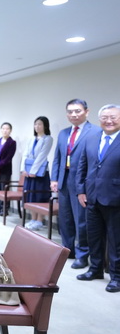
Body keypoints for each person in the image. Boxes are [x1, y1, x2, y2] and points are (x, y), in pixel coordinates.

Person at [51, 99, 100, 268]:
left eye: (77, 111)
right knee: (65, 219)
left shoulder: (95, 131)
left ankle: (82, 254)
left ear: (87, 111)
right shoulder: (64, 133)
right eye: (70, 111)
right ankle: (67, 249)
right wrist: (54, 179)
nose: (73, 114)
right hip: (64, 181)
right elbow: (57, 157)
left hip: (83, 183)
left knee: (81, 220)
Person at [76, 104, 120, 293]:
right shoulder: (92, 138)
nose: (109, 121)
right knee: (93, 236)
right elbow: (82, 166)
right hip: (92, 196)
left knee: (116, 240)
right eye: (105, 117)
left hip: (115, 198)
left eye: (113, 117)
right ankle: (95, 269)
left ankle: (116, 277)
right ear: (99, 119)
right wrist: (80, 190)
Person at [21, 116, 54, 231]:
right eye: (35, 124)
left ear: (45, 126)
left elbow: (42, 156)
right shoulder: (31, 139)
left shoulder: (48, 139)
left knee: (40, 196)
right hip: (29, 172)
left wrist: (33, 171)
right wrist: (23, 170)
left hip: (40, 173)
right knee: (31, 196)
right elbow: (25, 154)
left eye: (40, 124)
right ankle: (33, 219)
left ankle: (40, 220)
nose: (37, 126)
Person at [0, 122, 17, 215]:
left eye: (7, 129)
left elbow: (8, 158)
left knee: (4, 189)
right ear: (1, 130)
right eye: (3, 128)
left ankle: (4, 209)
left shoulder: (12, 143)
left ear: (10, 131)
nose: (5, 130)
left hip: (5, 170)